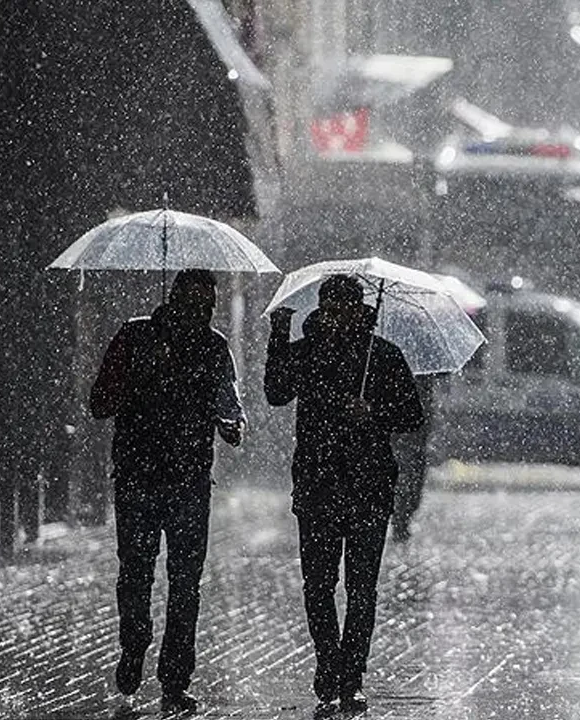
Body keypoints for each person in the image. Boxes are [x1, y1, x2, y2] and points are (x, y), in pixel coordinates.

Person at [264, 275, 425, 717]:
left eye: (343, 310)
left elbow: (411, 415)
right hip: (317, 485)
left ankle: (351, 673)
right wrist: (279, 336)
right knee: (318, 586)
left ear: (359, 311)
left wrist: (373, 411)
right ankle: (327, 661)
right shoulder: (308, 350)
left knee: (361, 589)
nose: (335, 319)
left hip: (369, 486)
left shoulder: (384, 356)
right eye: (329, 310)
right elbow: (276, 392)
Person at [89, 269, 245, 715]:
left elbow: (230, 407)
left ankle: (176, 678)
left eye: (208, 307)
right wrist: (140, 378)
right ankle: (135, 643)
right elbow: (99, 402)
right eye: (194, 304)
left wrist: (230, 425)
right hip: (138, 478)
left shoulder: (214, 347)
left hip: (191, 482)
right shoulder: (134, 337)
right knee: (135, 573)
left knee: (185, 584)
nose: (201, 314)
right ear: (173, 299)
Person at [390, 374, 435, 543]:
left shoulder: (424, 380)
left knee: (411, 483)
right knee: (407, 482)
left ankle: (401, 518)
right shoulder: (397, 376)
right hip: (404, 442)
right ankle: (400, 519)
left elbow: (427, 414)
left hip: (413, 442)